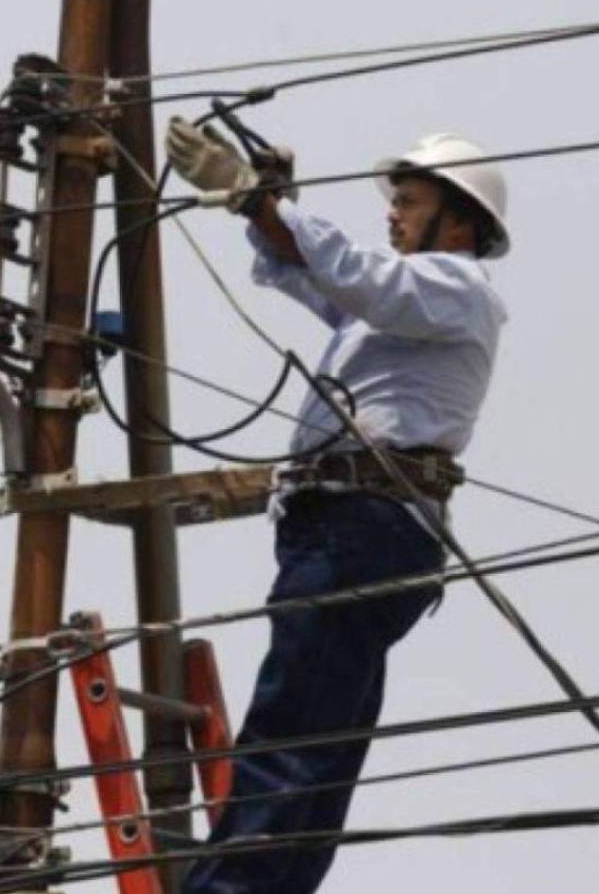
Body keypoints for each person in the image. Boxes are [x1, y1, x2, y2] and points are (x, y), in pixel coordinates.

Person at [164, 119, 511, 894]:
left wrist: (260, 201)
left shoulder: (457, 289)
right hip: (359, 527)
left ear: (458, 218)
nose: (392, 214)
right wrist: (266, 207)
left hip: (362, 525)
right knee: (318, 753)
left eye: (408, 201)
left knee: (290, 732)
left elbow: (359, 276)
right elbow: (313, 273)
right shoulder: (401, 313)